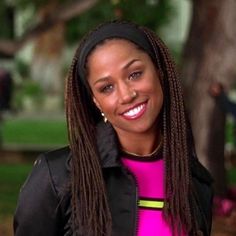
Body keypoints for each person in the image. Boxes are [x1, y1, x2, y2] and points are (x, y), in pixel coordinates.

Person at [14, 21, 213, 236]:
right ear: (96, 101)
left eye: (135, 74)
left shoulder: (195, 182)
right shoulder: (58, 178)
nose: (126, 95)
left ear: (159, 71)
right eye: (107, 88)